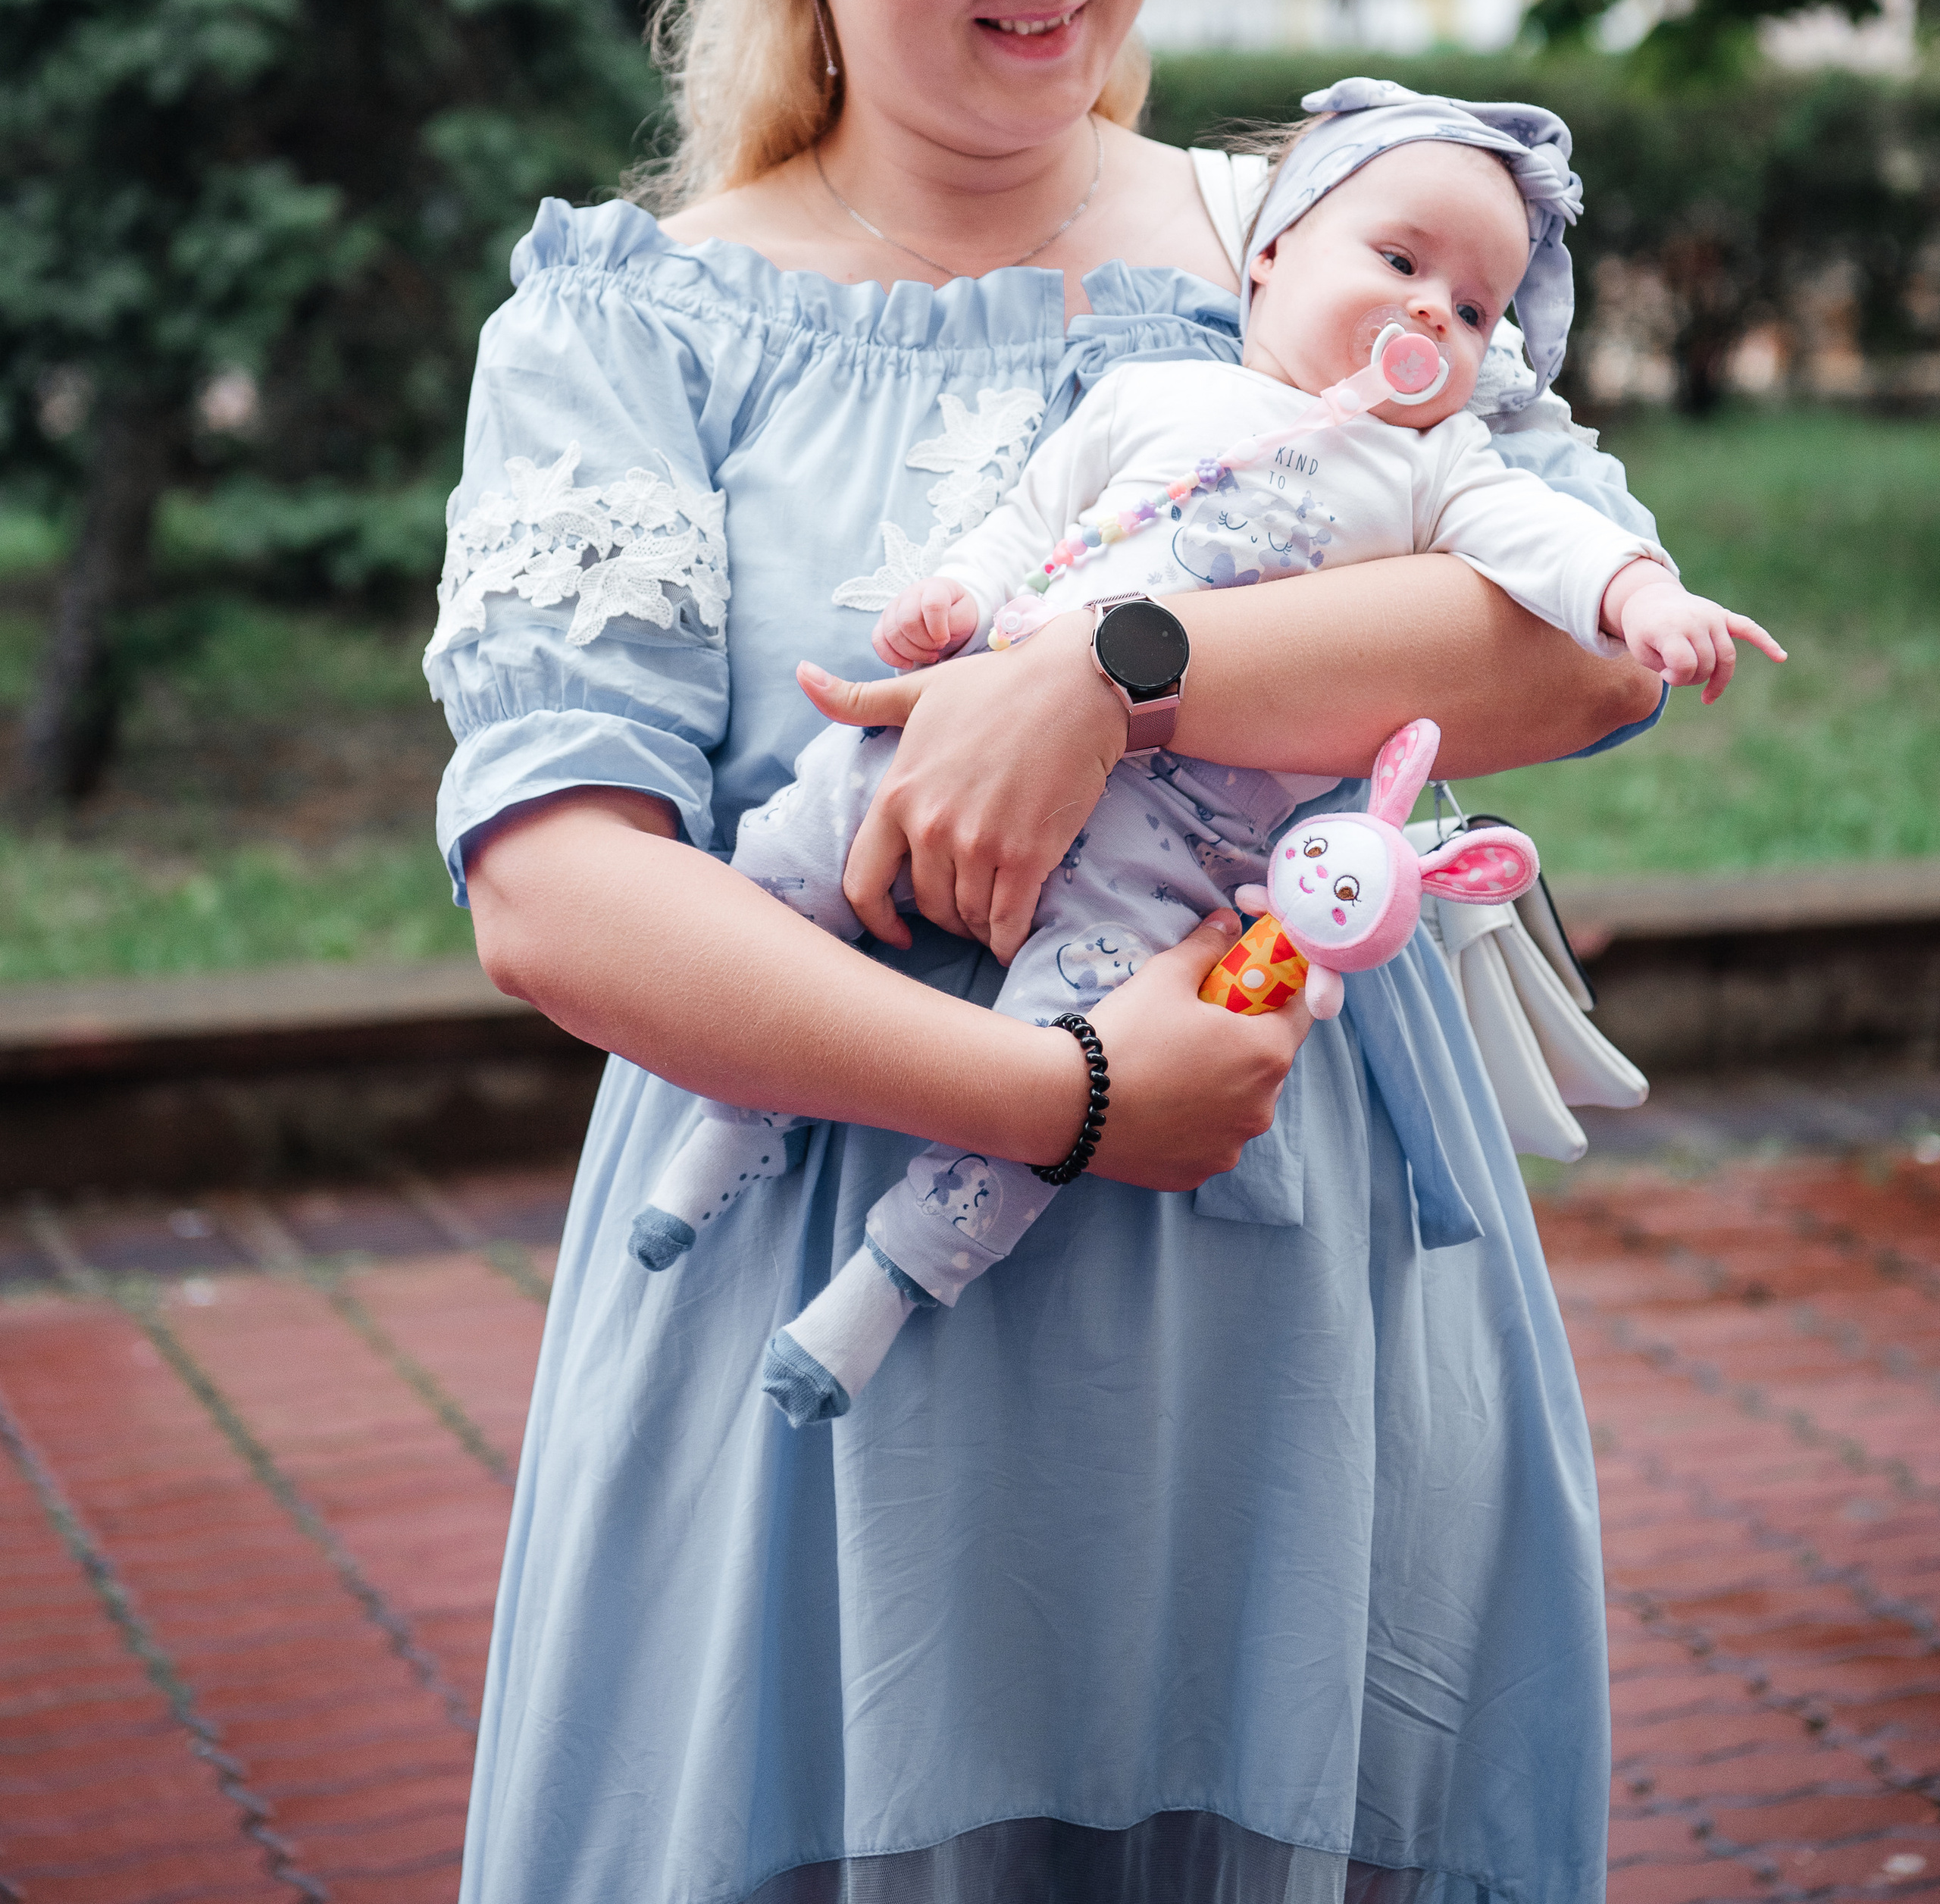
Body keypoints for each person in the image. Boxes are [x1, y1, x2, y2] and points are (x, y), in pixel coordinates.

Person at [429, 0, 1666, 1904]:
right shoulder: (637, 322)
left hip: (1308, 1320)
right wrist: (1069, 1103)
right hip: (829, 1333)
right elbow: (553, 890)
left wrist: (1105, 672)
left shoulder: (1300, 243)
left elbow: (1576, 642)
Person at [636, 80, 1782, 1427]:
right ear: (1276, 250)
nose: (1432, 313)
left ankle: (886, 1284)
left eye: (1475, 310)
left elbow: (1560, 553)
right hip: (971, 741)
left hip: (1172, 856)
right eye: (1401, 263)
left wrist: (1647, 597)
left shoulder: (1440, 474)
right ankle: (733, 1120)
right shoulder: (1154, 392)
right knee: (807, 835)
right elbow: (1030, 514)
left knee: (1082, 1046)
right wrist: (954, 595)